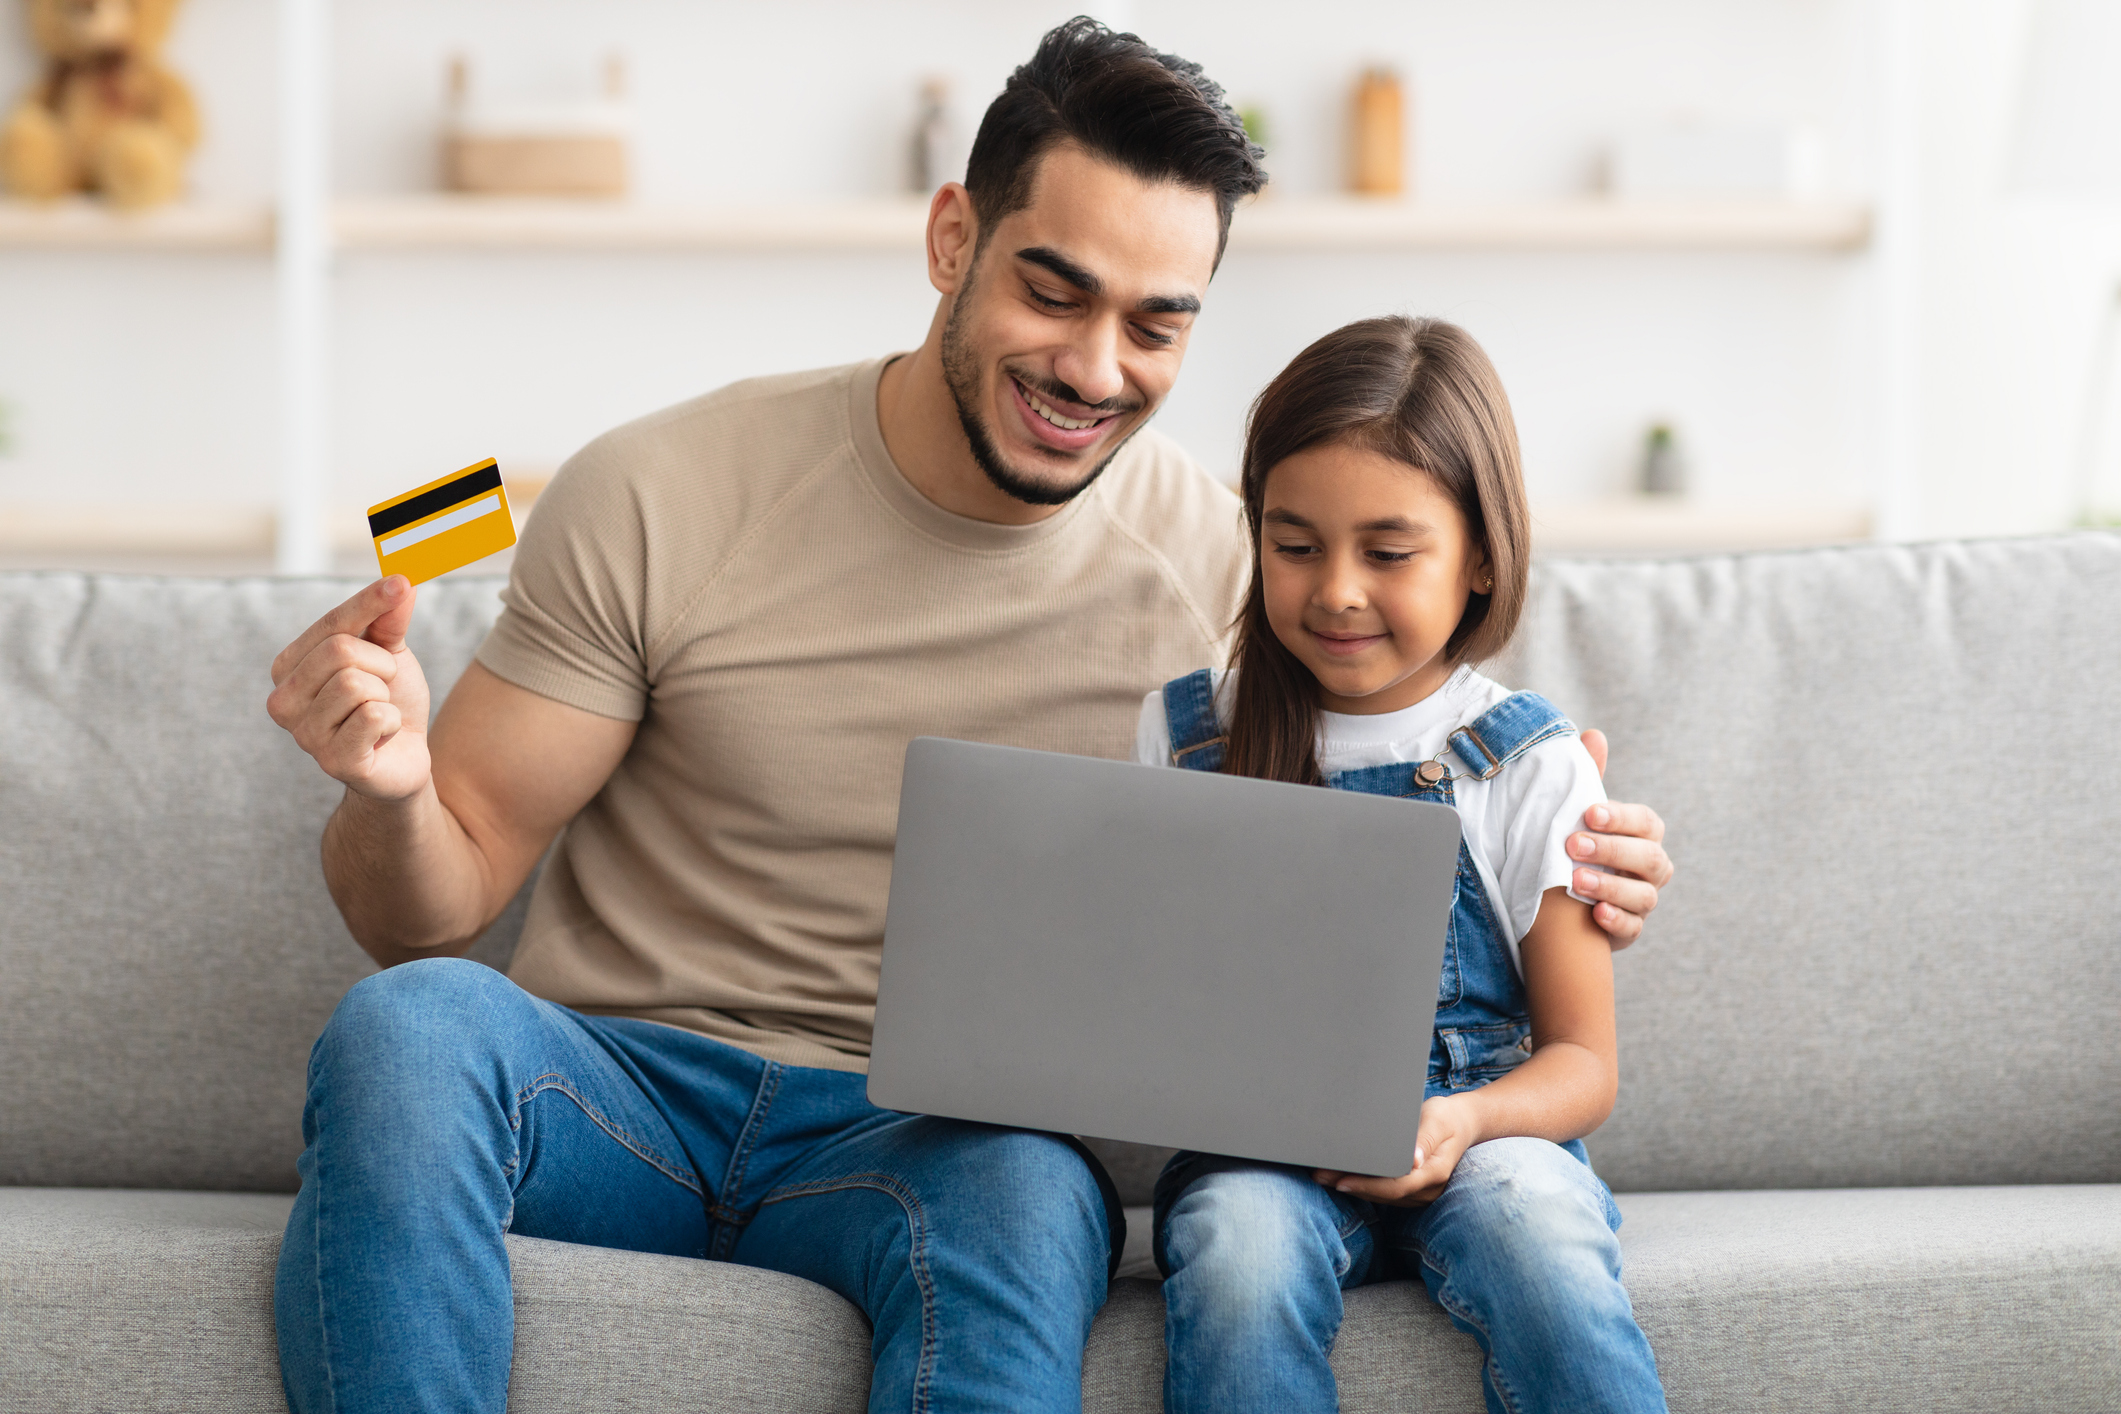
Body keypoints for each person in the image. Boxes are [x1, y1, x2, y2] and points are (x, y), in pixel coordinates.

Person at [263, 19, 1673, 1413]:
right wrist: (389, 791)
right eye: (1053, 292)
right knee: (408, 1023)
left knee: (1030, 1183)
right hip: (619, 1086)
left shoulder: (1232, 573)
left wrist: (1586, 832)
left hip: (935, 1134)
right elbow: (425, 906)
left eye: (1156, 322)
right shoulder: (656, 488)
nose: (1095, 367)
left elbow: (1428, 735)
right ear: (952, 241)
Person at [1136, 315, 1666, 1414]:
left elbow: (1584, 1066)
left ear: (1479, 553)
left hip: (1480, 1128)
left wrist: (1461, 1122)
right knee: (1238, 1245)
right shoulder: (1187, 737)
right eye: (1293, 544)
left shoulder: (1527, 758)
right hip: (1260, 1152)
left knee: (1539, 1227)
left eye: (1388, 551)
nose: (1334, 590)